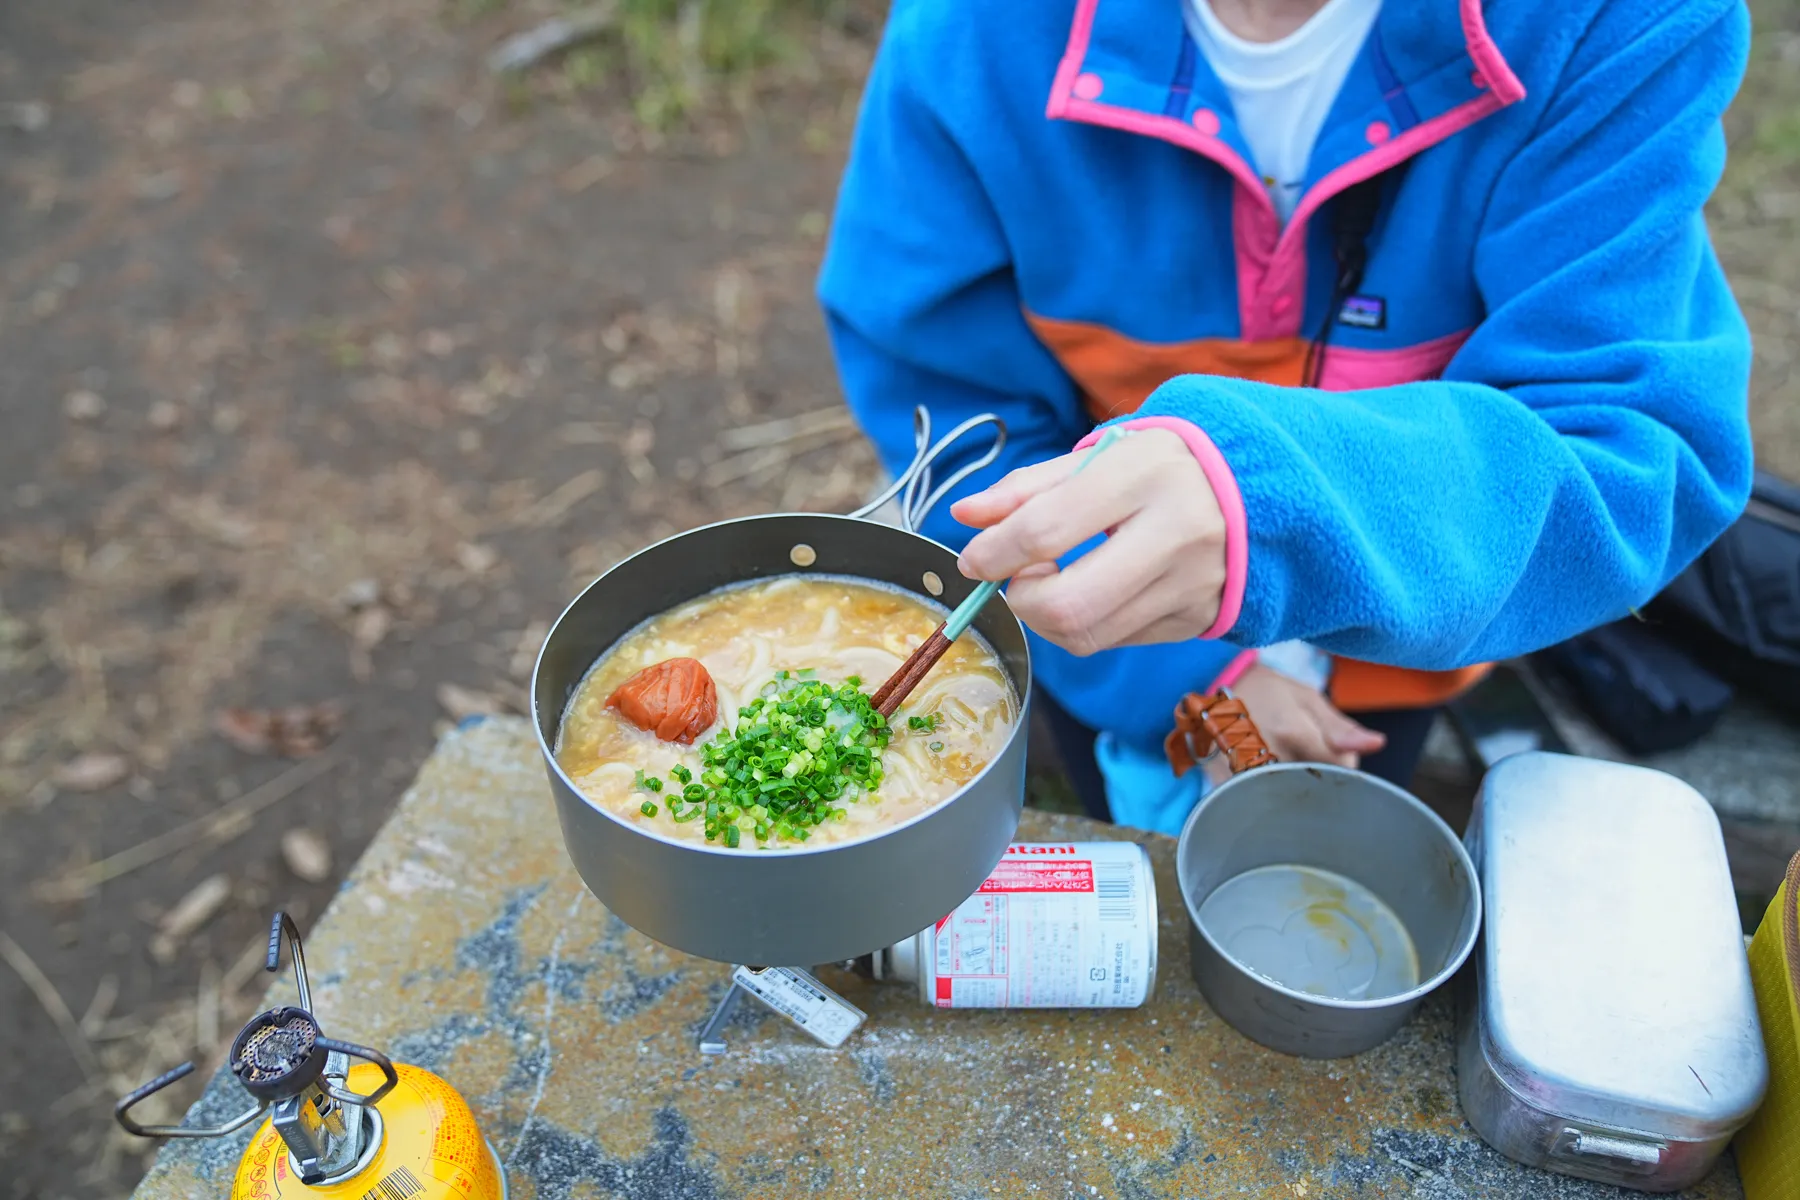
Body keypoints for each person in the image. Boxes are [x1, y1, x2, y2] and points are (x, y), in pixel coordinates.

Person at [818, 0, 1754, 834]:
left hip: (1412, 625)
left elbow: (1623, 448)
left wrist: (1265, 507)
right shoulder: (970, 34)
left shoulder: (1614, 22)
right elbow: (956, 427)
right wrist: (1183, 687)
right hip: (1097, 624)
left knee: (1323, 846)